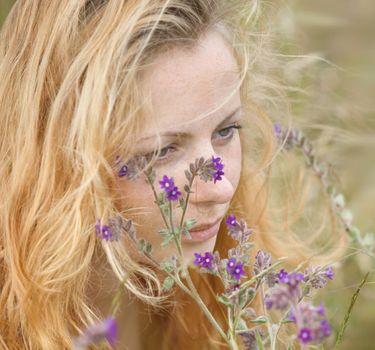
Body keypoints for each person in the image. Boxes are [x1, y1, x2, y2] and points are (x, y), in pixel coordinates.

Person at [0, 1, 346, 348]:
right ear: (57, 157)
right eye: (162, 151)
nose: (221, 188)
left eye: (226, 131)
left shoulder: (219, 306)